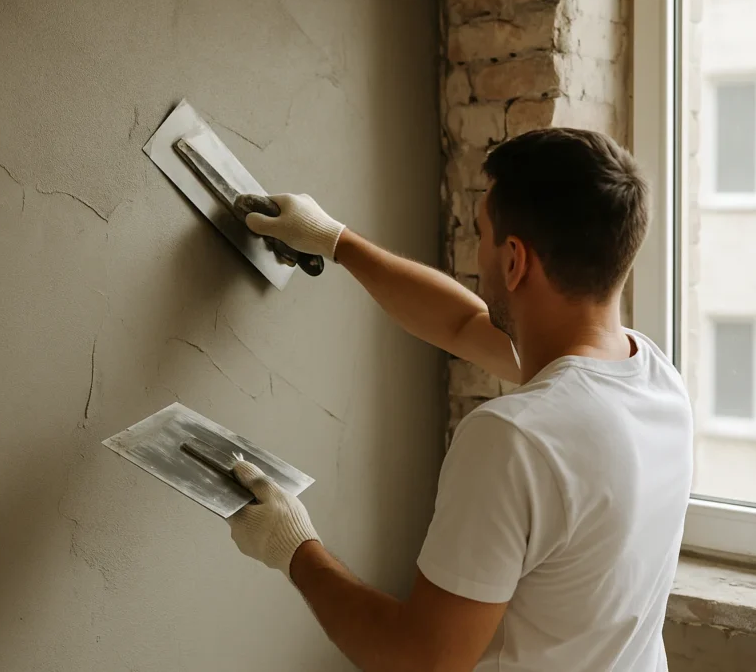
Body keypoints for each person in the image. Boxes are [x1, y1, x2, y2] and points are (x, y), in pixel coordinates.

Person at [226, 128, 693, 672]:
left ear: (515, 261)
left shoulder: (515, 439)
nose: (479, 251)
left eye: (483, 234)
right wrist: (337, 241)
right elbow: (463, 323)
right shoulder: (656, 378)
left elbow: (422, 660)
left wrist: (293, 547)